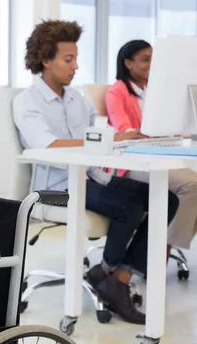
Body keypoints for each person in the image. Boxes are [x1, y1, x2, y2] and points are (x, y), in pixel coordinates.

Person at [12, 20, 179, 325]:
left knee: (166, 199)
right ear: (46, 60)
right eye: (68, 59)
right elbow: (47, 145)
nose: (75, 66)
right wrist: (111, 138)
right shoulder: (27, 102)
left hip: (92, 177)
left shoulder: (77, 98)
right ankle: (110, 276)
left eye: (76, 58)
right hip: (60, 187)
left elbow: (104, 130)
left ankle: (113, 274)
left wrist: (126, 136)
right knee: (128, 207)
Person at [106, 40, 197, 252]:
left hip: (158, 155)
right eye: (146, 60)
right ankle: (161, 251)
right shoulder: (117, 92)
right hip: (131, 165)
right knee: (192, 184)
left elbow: (169, 126)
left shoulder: (153, 91)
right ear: (128, 63)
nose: (151, 65)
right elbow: (126, 131)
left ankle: (163, 246)